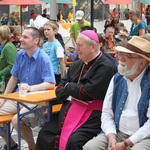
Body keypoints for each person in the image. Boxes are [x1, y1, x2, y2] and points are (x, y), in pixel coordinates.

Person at [35, 30, 117, 150]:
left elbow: (86, 93)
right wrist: (72, 94)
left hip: (92, 117)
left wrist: (69, 87)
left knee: (74, 141)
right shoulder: (77, 64)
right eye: (76, 44)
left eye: (79, 45)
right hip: (68, 110)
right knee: (44, 134)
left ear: (93, 47)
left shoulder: (106, 67)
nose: (76, 48)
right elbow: (59, 90)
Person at [83, 36, 150, 150]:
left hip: (145, 137)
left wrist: (126, 143)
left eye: (127, 56)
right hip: (118, 133)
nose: (121, 59)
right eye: (121, 54)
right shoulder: (117, 79)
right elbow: (107, 113)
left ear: (141, 63)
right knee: (90, 147)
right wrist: (111, 137)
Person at [0, 27, 56, 150]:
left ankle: (32, 146)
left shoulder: (43, 58)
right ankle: (12, 145)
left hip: (38, 101)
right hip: (19, 97)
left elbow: (51, 83)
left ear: (36, 40)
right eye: (22, 36)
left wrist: (31, 88)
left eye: (25, 37)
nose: (21, 39)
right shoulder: (20, 54)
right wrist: (3, 97)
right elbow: (14, 78)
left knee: (16, 121)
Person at [43, 21, 65, 85]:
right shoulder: (45, 45)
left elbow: (61, 61)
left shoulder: (57, 45)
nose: (46, 31)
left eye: (48, 29)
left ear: (55, 31)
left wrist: (62, 77)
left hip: (55, 74)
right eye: (45, 30)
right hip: (46, 73)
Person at [0, 25, 17, 92]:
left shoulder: (8, 47)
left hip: (8, 80)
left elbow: (12, 66)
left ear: (2, 35)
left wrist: (1, 73)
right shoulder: (6, 46)